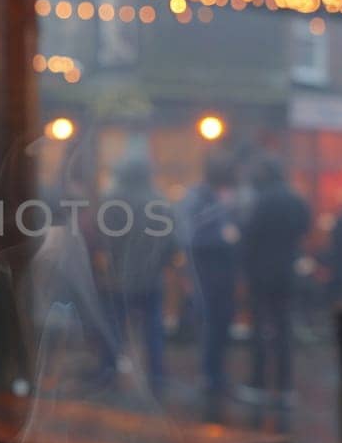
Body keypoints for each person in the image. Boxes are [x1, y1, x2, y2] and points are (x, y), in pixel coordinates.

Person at [96, 154, 177, 394]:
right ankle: (156, 377)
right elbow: (171, 241)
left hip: (119, 278)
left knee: (114, 328)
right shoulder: (159, 201)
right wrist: (160, 265)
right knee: (153, 331)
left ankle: (108, 372)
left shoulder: (113, 201)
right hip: (152, 278)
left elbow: (104, 239)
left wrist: (111, 265)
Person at [239, 156, 311, 404]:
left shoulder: (262, 201)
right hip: (287, 272)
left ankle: (258, 382)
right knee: (284, 328)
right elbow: (305, 226)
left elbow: (249, 237)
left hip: (261, 274)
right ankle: (285, 385)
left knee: (259, 328)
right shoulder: (294, 199)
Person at [181, 151, 242, 407]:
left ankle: (217, 374)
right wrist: (223, 237)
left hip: (225, 273)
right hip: (206, 273)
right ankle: (209, 375)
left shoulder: (224, 198)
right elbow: (191, 235)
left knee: (222, 324)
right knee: (209, 323)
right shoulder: (198, 198)